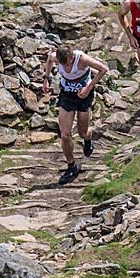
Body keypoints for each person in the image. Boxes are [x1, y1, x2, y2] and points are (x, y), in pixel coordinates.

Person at [43, 45, 108, 185]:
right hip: (67, 95)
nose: (66, 66)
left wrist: (88, 87)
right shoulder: (55, 57)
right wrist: (46, 79)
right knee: (65, 134)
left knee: (82, 132)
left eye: (68, 63)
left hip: (84, 97)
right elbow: (49, 59)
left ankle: (88, 138)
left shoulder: (82, 59)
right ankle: (71, 166)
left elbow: (103, 69)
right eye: (62, 64)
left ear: (72, 56)